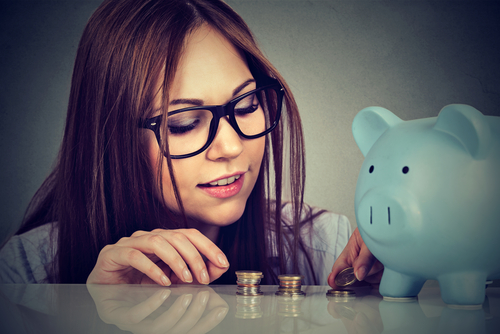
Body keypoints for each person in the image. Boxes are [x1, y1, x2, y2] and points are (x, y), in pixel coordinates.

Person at [0, 0, 381, 286]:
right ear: (110, 138)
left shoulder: (324, 247)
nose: (230, 147)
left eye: (247, 104)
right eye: (183, 124)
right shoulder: (24, 274)